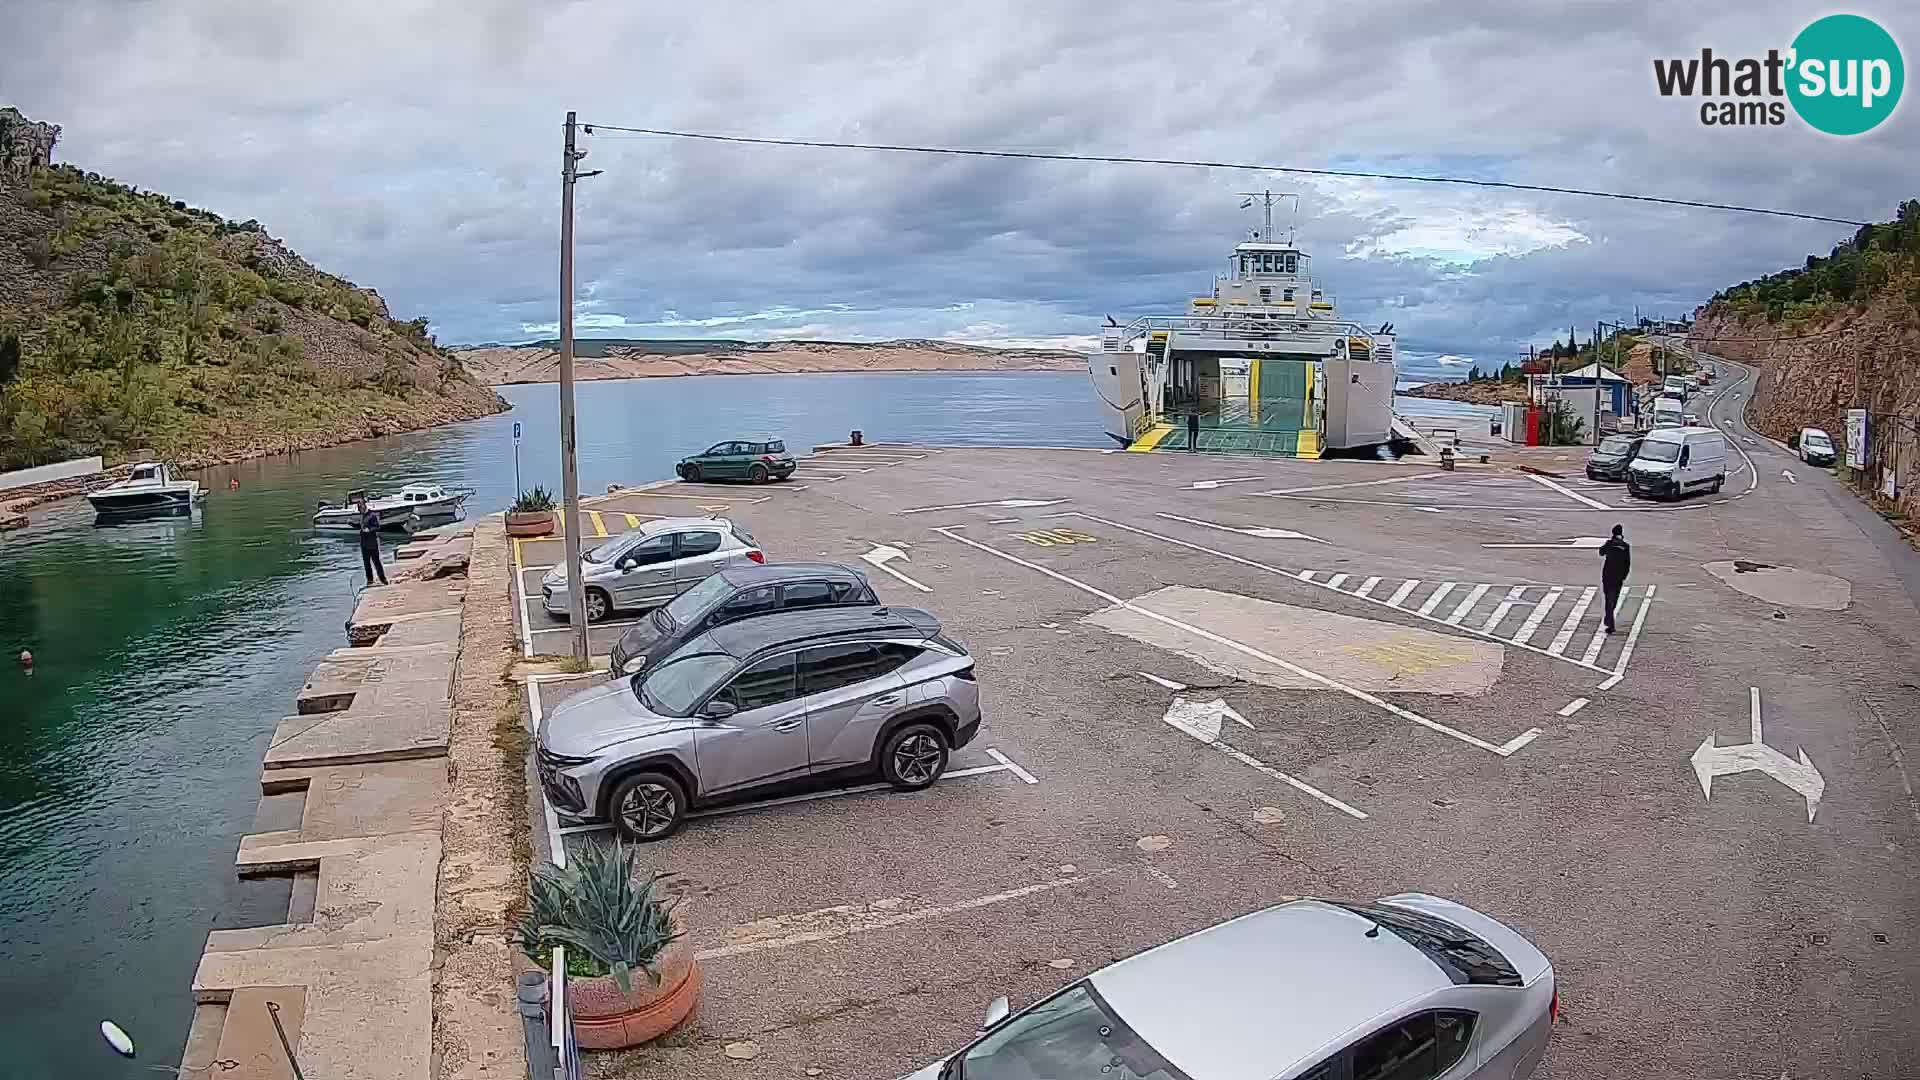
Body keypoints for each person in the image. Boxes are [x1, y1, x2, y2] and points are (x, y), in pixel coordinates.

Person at [1599, 524, 1631, 633]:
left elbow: (1601, 552)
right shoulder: (1625, 546)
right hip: (1618, 577)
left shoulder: (1609, 544)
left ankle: (1610, 622)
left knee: (1609, 599)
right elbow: (1627, 563)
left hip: (1608, 576)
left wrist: (1607, 544)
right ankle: (1609, 619)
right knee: (1614, 599)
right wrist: (1624, 576)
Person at [356, 494, 388, 586]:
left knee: (376, 562)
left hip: (372, 543)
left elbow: (377, 527)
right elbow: (360, 526)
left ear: (364, 506)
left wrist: (369, 530)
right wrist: (352, 523)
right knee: (366, 563)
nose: (360, 510)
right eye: (359, 509)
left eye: (360, 508)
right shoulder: (362, 516)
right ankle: (370, 580)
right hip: (364, 544)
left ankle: (383, 579)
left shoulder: (372, 515)